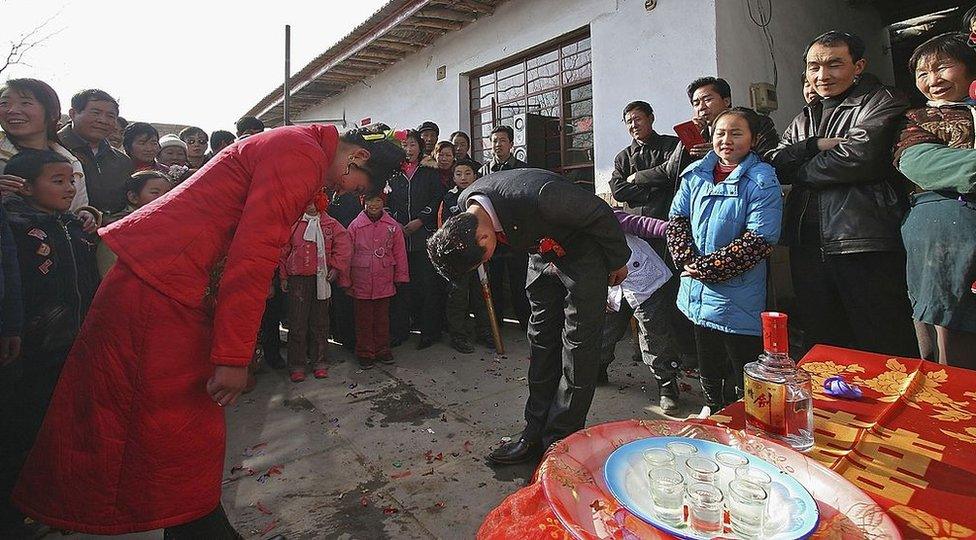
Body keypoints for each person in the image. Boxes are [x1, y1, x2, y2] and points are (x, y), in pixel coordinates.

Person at [11, 124, 405, 537]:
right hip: (162, 288)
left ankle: (199, 525)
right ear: (357, 158)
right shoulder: (301, 154)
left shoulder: (298, 145)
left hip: (171, 283)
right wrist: (234, 356)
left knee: (178, 429)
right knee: (166, 426)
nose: (350, 191)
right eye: (359, 184)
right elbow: (253, 254)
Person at [428, 168, 630, 465]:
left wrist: (617, 261)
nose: (486, 263)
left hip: (584, 253)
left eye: (483, 258)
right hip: (540, 255)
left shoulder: (544, 196)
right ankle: (534, 432)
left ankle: (561, 441)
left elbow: (600, 213)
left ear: (482, 235)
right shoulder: (464, 205)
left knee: (578, 346)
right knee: (540, 342)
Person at [768, 30, 916, 357]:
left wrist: (802, 169)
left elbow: (858, 158)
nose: (823, 75)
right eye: (814, 67)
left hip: (863, 239)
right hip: (807, 243)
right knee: (822, 340)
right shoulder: (805, 116)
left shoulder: (882, 100)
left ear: (858, 65)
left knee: (880, 338)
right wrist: (813, 146)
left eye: (835, 65)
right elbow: (775, 165)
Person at [0, 150, 98, 538]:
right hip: (29, 348)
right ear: (24, 186)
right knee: (23, 429)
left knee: (61, 423)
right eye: (58, 181)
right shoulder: (14, 226)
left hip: (70, 343)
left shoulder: (71, 224)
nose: (70, 188)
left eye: (70, 180)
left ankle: (54, 500)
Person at [667, 108, 783, 410]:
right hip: (696, 286)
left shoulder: (761, 180)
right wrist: (686, 258)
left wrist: (705, 268)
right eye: (720, 133)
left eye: (736, 133)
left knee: (740, 355)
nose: (726, 140)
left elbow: (760, 239)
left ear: (753, 139)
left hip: (737, 290)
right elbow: (677, 218)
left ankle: (744, 411)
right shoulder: (695, 174)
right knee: (706, 350)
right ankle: (712, 405)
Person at [894, 32, 976, 369]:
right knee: (951, 335)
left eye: (942, 68)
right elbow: (919, 163)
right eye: (923, 73)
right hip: (943, 237)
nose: (933, 80)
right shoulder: (915, 120)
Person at [600, 210, 681, 411]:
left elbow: (643, 224)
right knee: (604, 331)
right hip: (610, 287)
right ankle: (597, 369)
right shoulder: (567, 234)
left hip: (645, 280)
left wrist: (670, 229)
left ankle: (667, 385)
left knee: (655, 333)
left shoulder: (608, 217)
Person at [279, 191, 352, 382]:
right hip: (298, 279)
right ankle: (297, 364)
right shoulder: (294, 224)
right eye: (307, 203)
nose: (311, 207)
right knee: (297, 323)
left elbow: (344, 245)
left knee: (320, 323)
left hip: (321, 279)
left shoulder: (329, 224)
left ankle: (320, 362)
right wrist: (284, 276)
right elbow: (283, 251)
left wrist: (336, 267)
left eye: (314, 203)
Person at [388, 129, 446, 348]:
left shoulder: (429, 172)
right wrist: (397, 224)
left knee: (427, 286)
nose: (409, 149)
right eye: (404, 145)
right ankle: (401, 331)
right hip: (399, 238)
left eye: (412, 145)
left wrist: (420, 220)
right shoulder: (393, 175)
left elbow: (437, 198)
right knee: (402, 287)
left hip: (424, 237)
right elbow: (388, 203)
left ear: (420, 147)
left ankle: (429, 332)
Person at [0, 79, 90, 215]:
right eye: (4, 103)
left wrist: (86, 215)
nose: (12, 110)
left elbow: (75, 210)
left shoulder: (71, 162)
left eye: (25, 103)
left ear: (52, 113)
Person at [479, 125, 531, 333]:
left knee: (520, 282)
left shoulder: (521, 168)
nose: (497, 145)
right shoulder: (483, 171)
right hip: (492, 236)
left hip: (515, 234)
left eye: (502, 140)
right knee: (494, 283)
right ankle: (496, 324)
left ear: (511, 144)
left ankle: (526, 323)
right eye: (494, 141)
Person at [347, 191, 408, 368]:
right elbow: (346, 254)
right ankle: (365, 351)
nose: (373, 205)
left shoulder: (393, 226)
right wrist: (345, 279)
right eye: (369, 201)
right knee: (363, 319)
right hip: (361, 278)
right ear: (363, 202)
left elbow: (400, 252)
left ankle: (382, 349)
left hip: (384, 277)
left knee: (382, 317)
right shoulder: (355, 226)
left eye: (378, 200)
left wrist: (401, 275)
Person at [439, 158, 489, 354]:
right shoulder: (448, 199)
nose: (463, 177)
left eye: (467, 173)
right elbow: (443, 227)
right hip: (458, 257)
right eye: (458, 173)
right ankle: (458, 335)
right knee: (457, 296)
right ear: (453, 177)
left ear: (474, 175)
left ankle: (485, 331)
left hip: (480, 254)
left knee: (481, 294)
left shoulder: (482, 197)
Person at [58, 89, 132, 214]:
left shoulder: (122, 161)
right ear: (73, 113)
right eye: (95, 113)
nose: (102, 120)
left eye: (110, 116)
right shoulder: (52, 149)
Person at [608, 100, 679, 217]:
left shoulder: (671, 144)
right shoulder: (622, 157)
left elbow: (670, 173)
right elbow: (617, 190)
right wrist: (653, 190)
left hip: (664, 221)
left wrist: (636, 178)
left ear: (651, 118)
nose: (634, 125)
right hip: (634, 224)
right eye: (629, 122)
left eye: (637, 119)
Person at [95, 170, 173, 277]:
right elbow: (109, 272)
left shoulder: (166, 225)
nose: (165, 198)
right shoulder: (118, 228)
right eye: (155, 193)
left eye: (168, 193)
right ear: (133, 197)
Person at [328, 190, 363, 350]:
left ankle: (346, 336)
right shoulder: (325, 190)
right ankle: (336, 332)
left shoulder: (351, 194)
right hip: (324, 248)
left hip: (346, 247)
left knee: (344, 294)